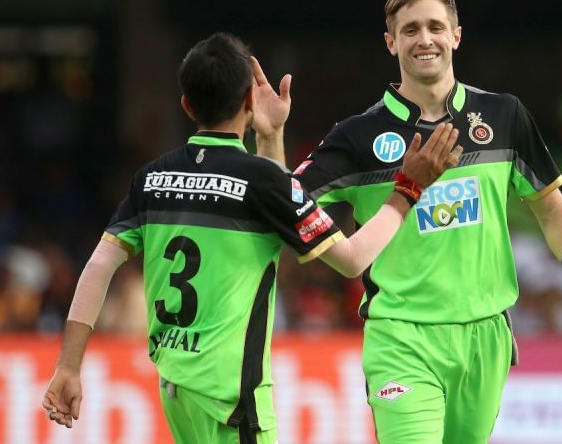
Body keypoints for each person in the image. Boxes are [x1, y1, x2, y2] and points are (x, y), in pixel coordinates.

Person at [41, 32, 463, 444]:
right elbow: (352, 259)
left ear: (186, 105)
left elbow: (99, 266)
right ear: (248, 101)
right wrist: (408, 191)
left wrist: (69, 366)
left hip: (176, 388)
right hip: (232, 401)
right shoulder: (260, 181)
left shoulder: (151, 178)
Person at [293, 0, 562, 443]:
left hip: (485, 337)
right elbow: (287, 200)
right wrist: (269, 139)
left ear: (456, 35)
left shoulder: (503, 116)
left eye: (436, 27)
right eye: (410, 30)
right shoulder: (357, 136)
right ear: (391, 42)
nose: (425, 39)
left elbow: (550, 205)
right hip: (401, 336)